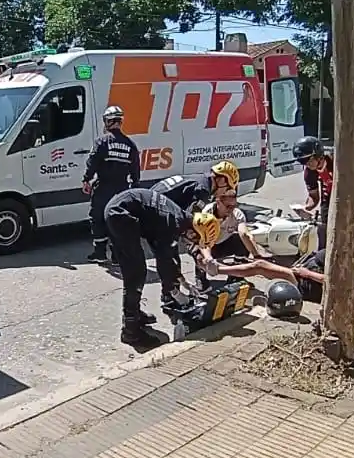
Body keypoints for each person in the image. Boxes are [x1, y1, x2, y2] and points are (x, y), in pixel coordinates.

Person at [104, 187, 200, 346]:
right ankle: (130, 331)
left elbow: (167, 257)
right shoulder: (172, 224)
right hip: (121, 214)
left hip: (122, 209)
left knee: (136, 270)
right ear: (192, 232)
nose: (190, 244)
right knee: (136, 273)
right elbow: (164, 262)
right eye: (195, 240)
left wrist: (182, 281)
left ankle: (134, 314)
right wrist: (175, 293)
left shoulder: (179, 219)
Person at [82, 105, 140, 263]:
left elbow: (92, 163)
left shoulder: (102, 142)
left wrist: (86, 179)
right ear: (120, 122)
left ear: (107, 121)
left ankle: (100, 253)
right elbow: (135, 172)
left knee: (98, 219)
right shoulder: (130, 145)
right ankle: (116, 256)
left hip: (103, 188)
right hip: (121, 189)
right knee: (116, 221)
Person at [150, 160, 241, 211]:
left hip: (149, 200)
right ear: (222, 180)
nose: (225, 193)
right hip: (152, 210)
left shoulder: (199, 179)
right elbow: (193, 220)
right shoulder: (202, 191)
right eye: (227, 188)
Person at [293, 136, 334, 249]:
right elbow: (314, 196)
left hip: (346, 196)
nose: (307, 164)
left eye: (308, 160)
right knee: (325, 231)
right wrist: (306, 208)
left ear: (318, 155)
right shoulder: (309, 173)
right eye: (302, 162)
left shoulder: (335, 163)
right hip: (328, 200)